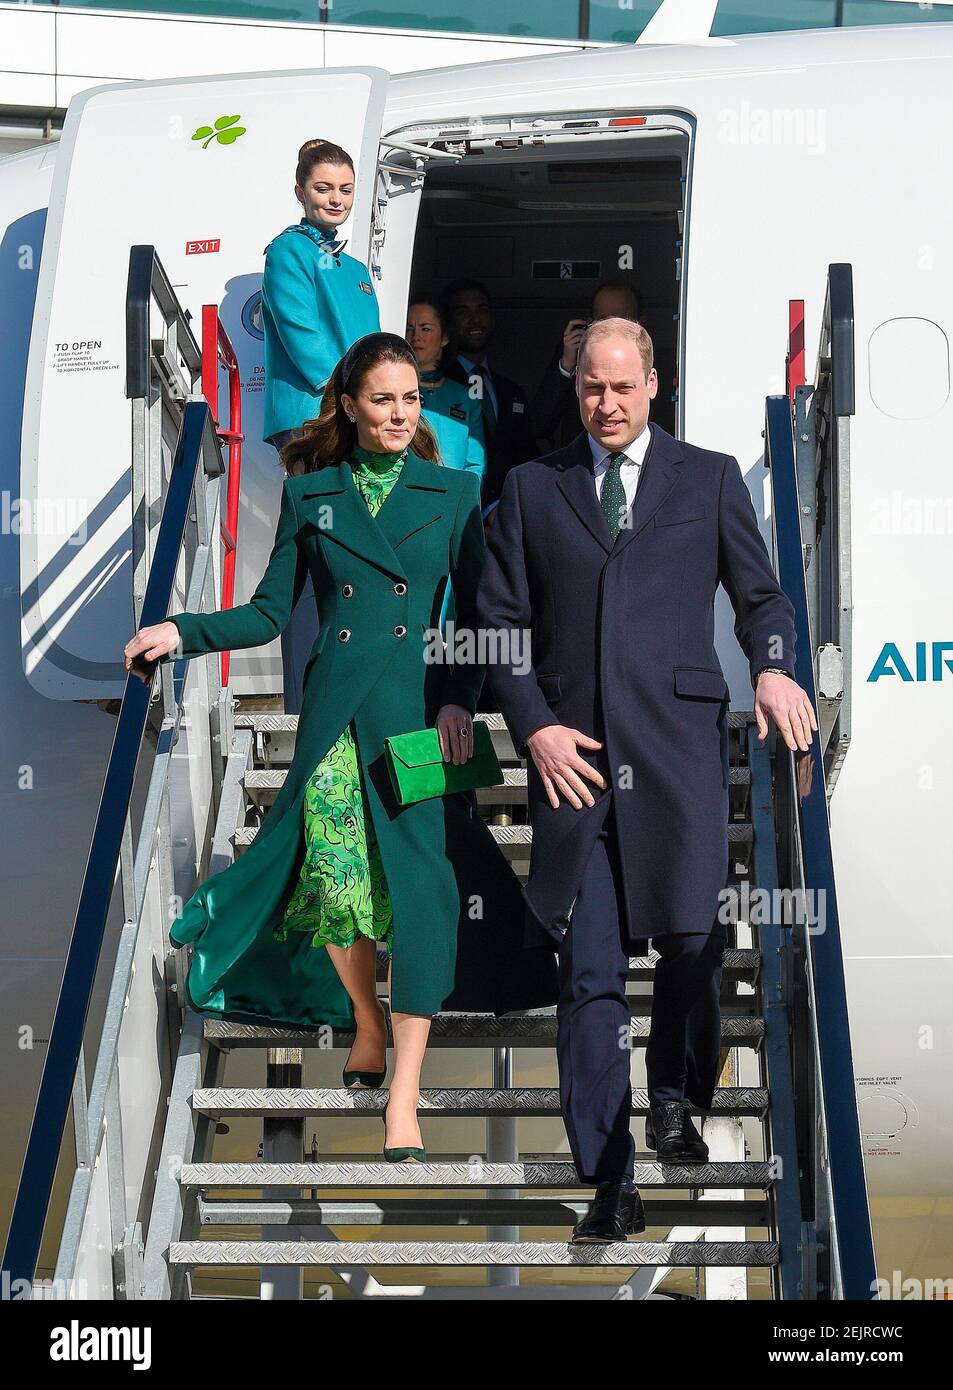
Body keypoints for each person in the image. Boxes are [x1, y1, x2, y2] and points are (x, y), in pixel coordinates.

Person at [124, 332, 557, 1161]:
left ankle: (403, 1095)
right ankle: (364, 1020)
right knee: (336, 882)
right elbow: (267, 613)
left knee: (426, 895)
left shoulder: (456, 491)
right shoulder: (310, 493)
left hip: (419, 718)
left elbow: (474, 614)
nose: (399, 414)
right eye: (383, 399)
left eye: (410, 399)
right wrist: (179, 630)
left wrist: (460, 703)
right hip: (333, 715)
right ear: (350, 407)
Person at [476, 317, 817, 1243]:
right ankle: (610, 1173)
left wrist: (775, 666)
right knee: (587, 977)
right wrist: (534, 728)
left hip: (675, 754)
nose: (607, 403)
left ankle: (674, 1095)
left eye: (623, 386)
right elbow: (498, 628)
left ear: (653, 384)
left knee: (694, 948)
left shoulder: (703, 478)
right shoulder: (530, 488)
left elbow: (760, 595)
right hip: (574, 771)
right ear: (573, 383)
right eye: (592, 387)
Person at [261, 138, 381, 715]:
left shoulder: (356, 269)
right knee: (314, 557)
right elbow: (299, 333)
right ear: (300, 191)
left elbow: (376, 350)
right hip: (315, 422)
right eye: (323, 187)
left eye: (345, 189)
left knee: (349, 559)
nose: (335, 199)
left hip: (354, 418)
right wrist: (346, 403)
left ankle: (343, 691)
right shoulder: (287, 252)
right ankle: (306, 701)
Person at [406, 290, 486, 630]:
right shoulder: (394, 393)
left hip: (450, 516)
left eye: (426, 328)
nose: (415, 337)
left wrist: (460, 507)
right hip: (406, 510)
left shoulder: (464, 393)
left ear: (445, 337)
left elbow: (475, 462)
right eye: (409, 328)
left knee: (451, 609)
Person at [440, 277, 538, 510]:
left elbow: (526, 454)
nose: (475, 319)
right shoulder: (437, 387)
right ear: (449, 322)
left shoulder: (511, 391)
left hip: (507, 512)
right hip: (455, 508)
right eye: (463, 311)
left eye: (482, 310)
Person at [529, 280, 642, 452]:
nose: (611, 329)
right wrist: (567, 364)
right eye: (603, 320)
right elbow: (539, 426)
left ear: (641, 323)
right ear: (589, 324)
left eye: (620, 320)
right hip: (580, 466)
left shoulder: (656, 362)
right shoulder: (574, 357)